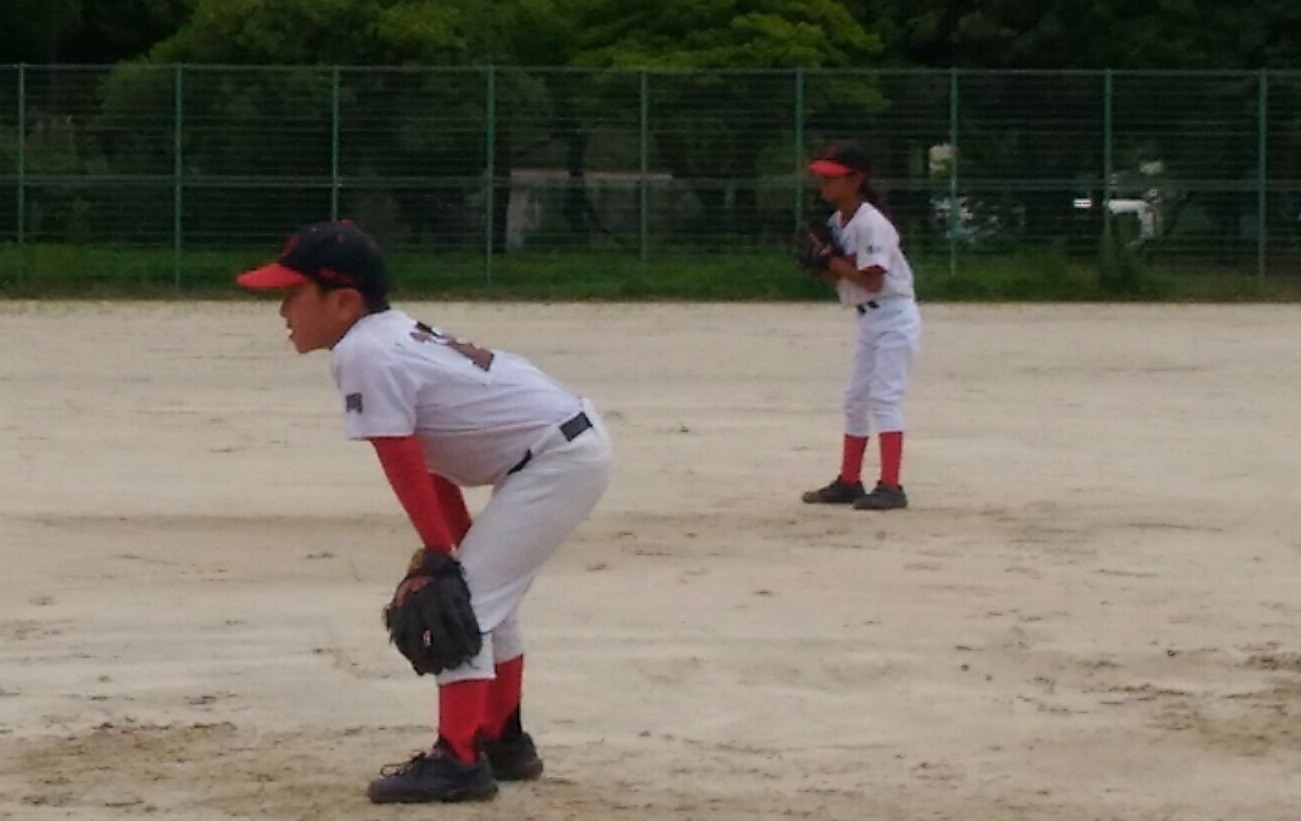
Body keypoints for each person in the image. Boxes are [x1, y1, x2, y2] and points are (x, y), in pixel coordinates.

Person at [235, 220, 613, 804]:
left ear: (343, 302)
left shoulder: (365, 352)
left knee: (461, 605)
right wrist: (450, 547)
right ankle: (502, 740)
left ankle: (458, 759)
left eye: (293, 293)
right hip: (561, 451)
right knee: (483, 594)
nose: (283, 310)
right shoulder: (383, 337)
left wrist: (440, 560)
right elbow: (429, 459)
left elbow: (402, 460)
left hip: (555, 460)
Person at [800, 143, 922, 511]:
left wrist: (830, 260)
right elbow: (841, 281)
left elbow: (872, 281)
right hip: (868, 319)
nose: (824, 184)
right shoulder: (837, 223)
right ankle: (849, 481)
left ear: (856, 180)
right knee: (855, 399)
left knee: (884, 398)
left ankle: (891, 486)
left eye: (833, 178)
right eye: (823, 177)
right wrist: (820, 265)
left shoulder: (872, 223)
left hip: (895, 317)